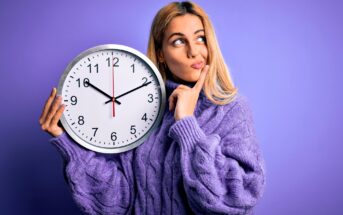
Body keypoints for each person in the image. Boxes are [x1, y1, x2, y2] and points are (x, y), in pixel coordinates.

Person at [39, 1, 265, 214]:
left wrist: (187, 123)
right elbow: (117, 203)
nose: (194, 52)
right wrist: (67, 143)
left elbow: (235, 201)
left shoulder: (232, 109)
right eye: (178, 41)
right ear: (161, 54)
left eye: (200, 38)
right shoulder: (144, 111)